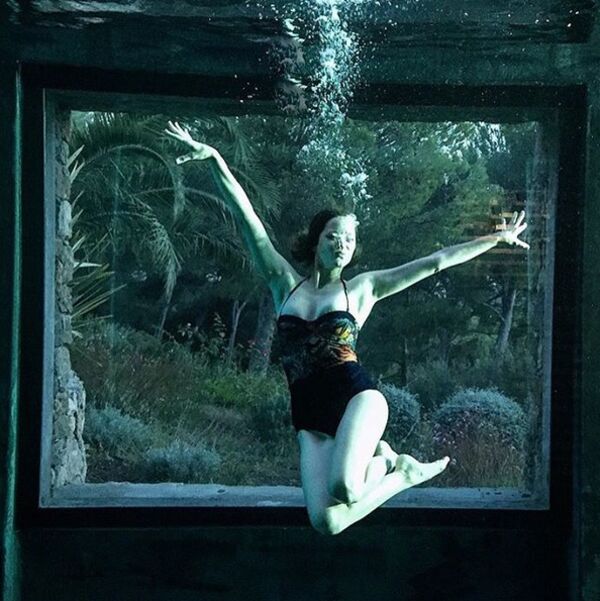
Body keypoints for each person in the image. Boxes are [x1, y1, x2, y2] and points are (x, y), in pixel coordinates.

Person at [165, 121, 529, 535]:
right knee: (328, 521)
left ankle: (403, 473)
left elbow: (435, 262)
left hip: (357, 397)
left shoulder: (362, 289)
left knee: (347, 487)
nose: (341, 244)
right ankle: (391, 463)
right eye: (333, 236)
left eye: (349, 240)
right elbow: (247, 219)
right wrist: (214, 158)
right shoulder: (285, 284)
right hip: (308, 413)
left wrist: (494, 240)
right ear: (316, 240)